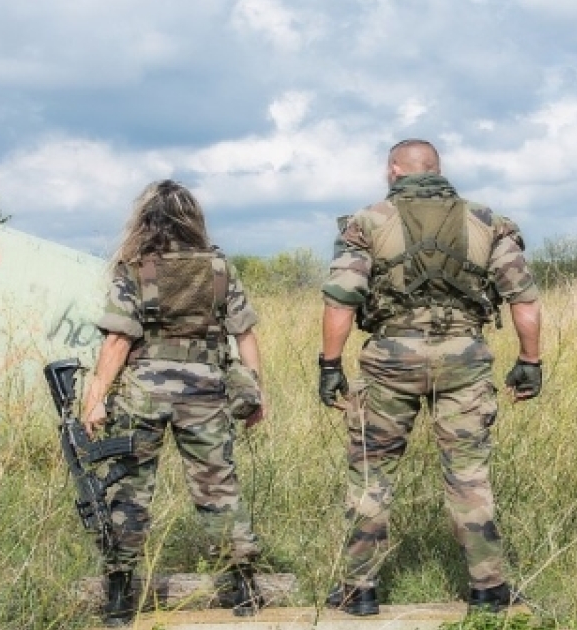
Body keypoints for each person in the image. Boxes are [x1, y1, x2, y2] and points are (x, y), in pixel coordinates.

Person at [318, 139, 543, 616]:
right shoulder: (487, 221)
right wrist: (530, 360)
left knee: (371, 473)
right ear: (437, 170)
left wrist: (330, 365)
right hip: (464, 359)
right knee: (468, 474)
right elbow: (522, 297)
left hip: (390, 360)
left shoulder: (368, 221)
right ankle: (488, 589)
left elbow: (341, 298)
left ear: (394, 170)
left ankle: (360, 590)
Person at [80, 180, 266, 626]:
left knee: (129, 488)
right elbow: (245, 334)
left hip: (143, 393)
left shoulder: (134, 268)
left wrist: (95, 397)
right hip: (206, 391)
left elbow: (118, 340)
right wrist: (256, 392)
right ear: (193, 219)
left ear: (146, 220)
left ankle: (119, 592)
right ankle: (243, 586)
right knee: (218, 487)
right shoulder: (220, 267)